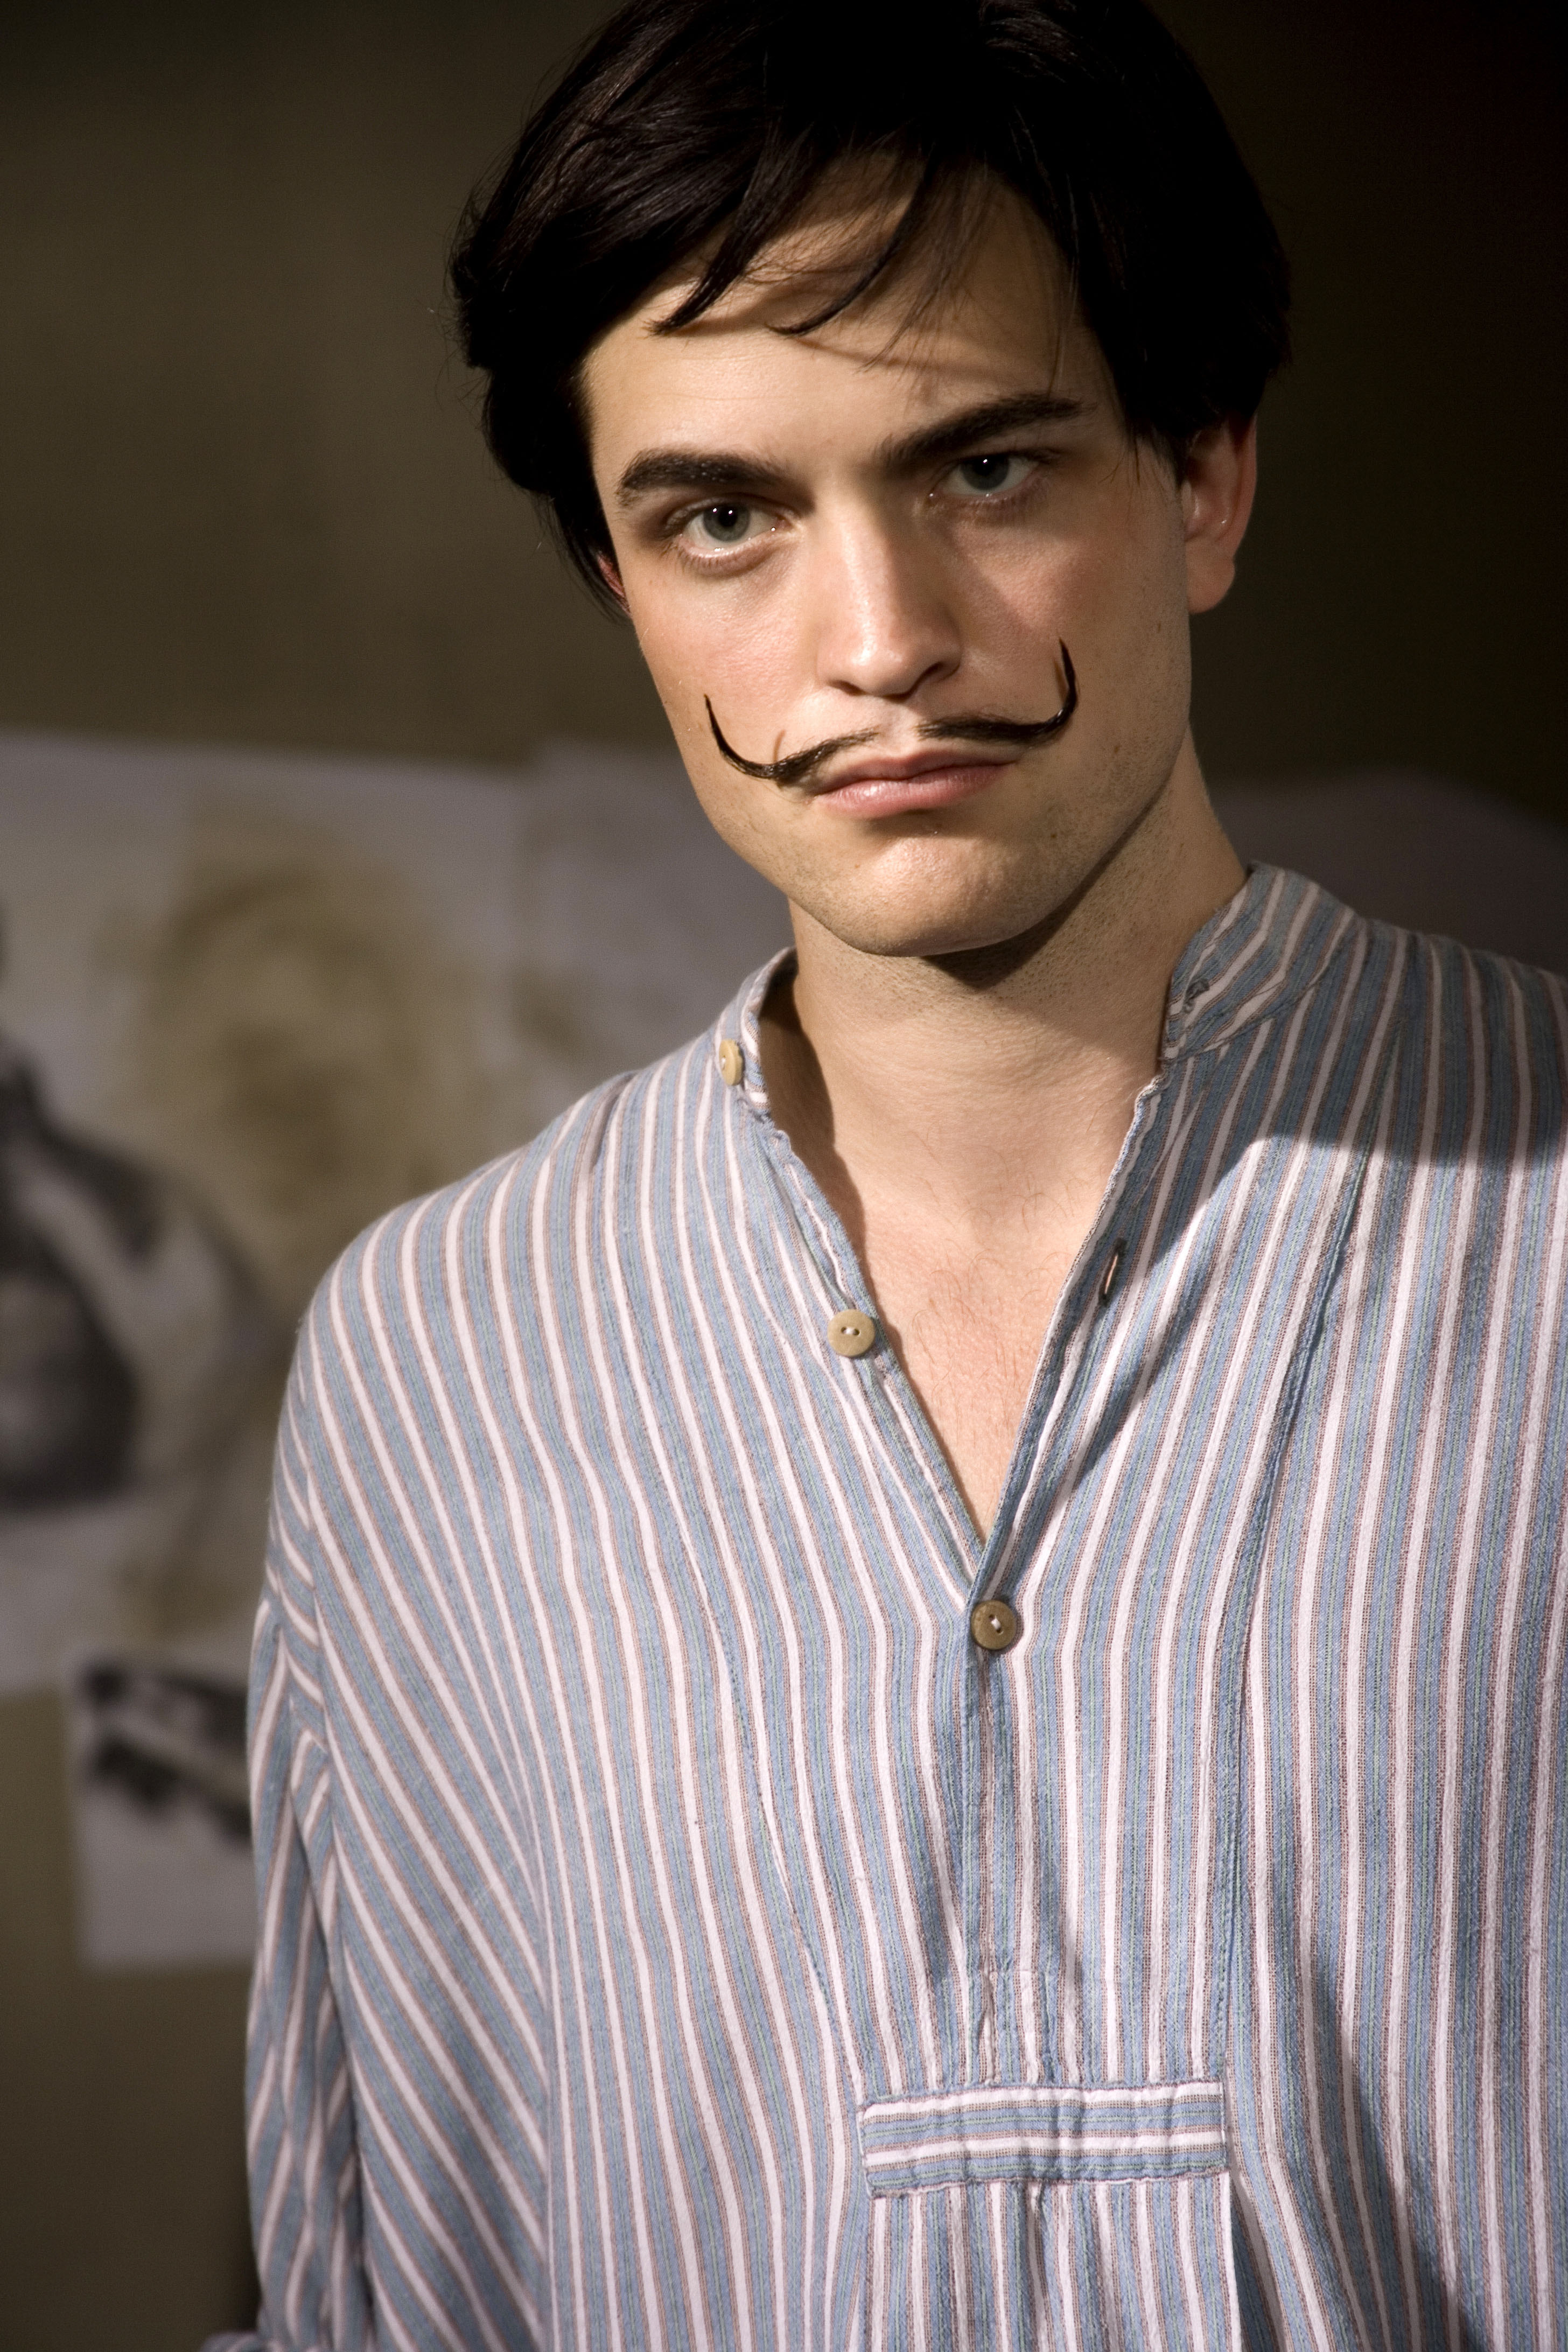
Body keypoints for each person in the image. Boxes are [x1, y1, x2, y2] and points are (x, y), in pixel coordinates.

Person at [215, 2, 1567, 2345]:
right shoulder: (433, 1357)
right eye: (721, 517)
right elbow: (389, 2285)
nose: (879, 647)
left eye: (986, 469)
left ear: (1204, 475)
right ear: (617, 576)